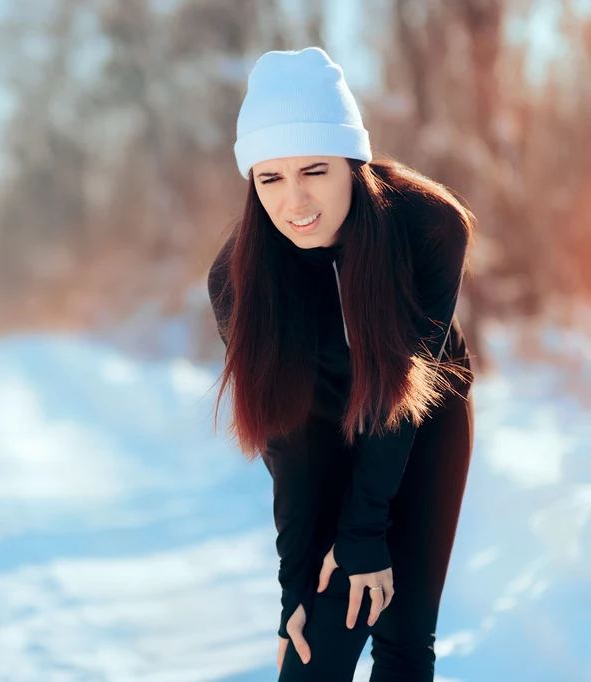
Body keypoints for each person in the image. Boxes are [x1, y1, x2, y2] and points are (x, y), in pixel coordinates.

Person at [206, 47, 477, 682]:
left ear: (352, 163)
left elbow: (399, 396)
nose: (295, 201)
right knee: (312, 653)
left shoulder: (428, 227)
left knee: (404, 631)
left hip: (422, 405)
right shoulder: (236, 281)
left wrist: (362, 534)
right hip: (317, 421)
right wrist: (295, 584)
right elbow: (286, 439)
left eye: (315, 170)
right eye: (269, 179)